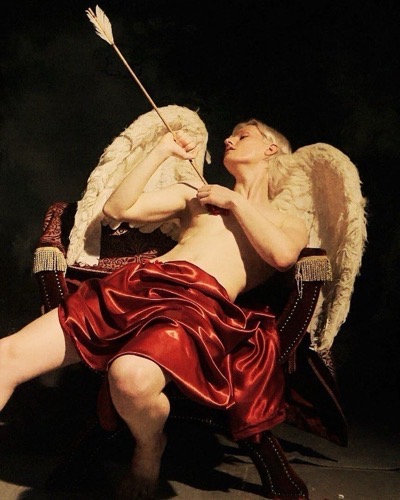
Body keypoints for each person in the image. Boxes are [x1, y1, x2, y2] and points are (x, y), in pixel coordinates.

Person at [0, 119, 309, 499]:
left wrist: (235, 202)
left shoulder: (286, 220)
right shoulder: (195, 196)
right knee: (6, 355)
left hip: (196, 307)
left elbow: (282, 256)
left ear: (271, 149)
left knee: (130, 377)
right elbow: (118, 208)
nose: (229, 139)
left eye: (243, 135)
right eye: (230, 135)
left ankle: (149, 448)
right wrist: (162, 151)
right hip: (135, 287)